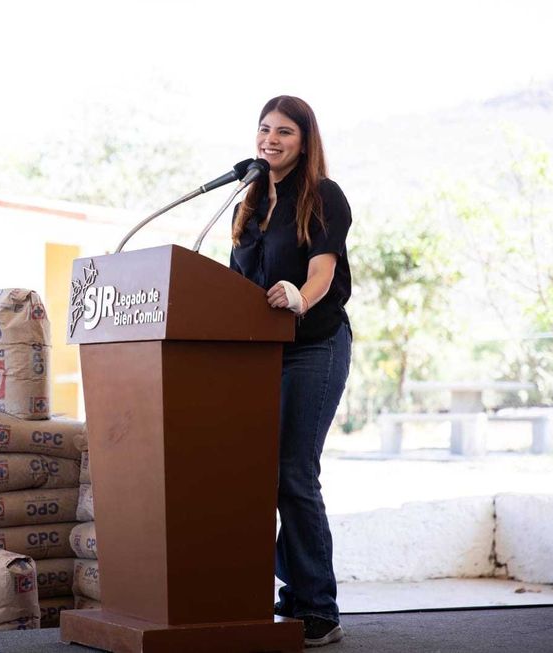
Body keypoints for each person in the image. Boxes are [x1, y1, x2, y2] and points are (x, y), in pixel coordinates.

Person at [230, 95, 352, 648]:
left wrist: (300, 297)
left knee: (294, 472)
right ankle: (296, 590)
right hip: (260, 354)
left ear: (304, 142)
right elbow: (233, 285)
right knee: (265, 474)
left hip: (313, 345)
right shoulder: (249, 201)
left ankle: (319, 607)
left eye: (283, 132)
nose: (270, 140)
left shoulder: (323, 196)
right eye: (264, 129)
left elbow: (322, 273)